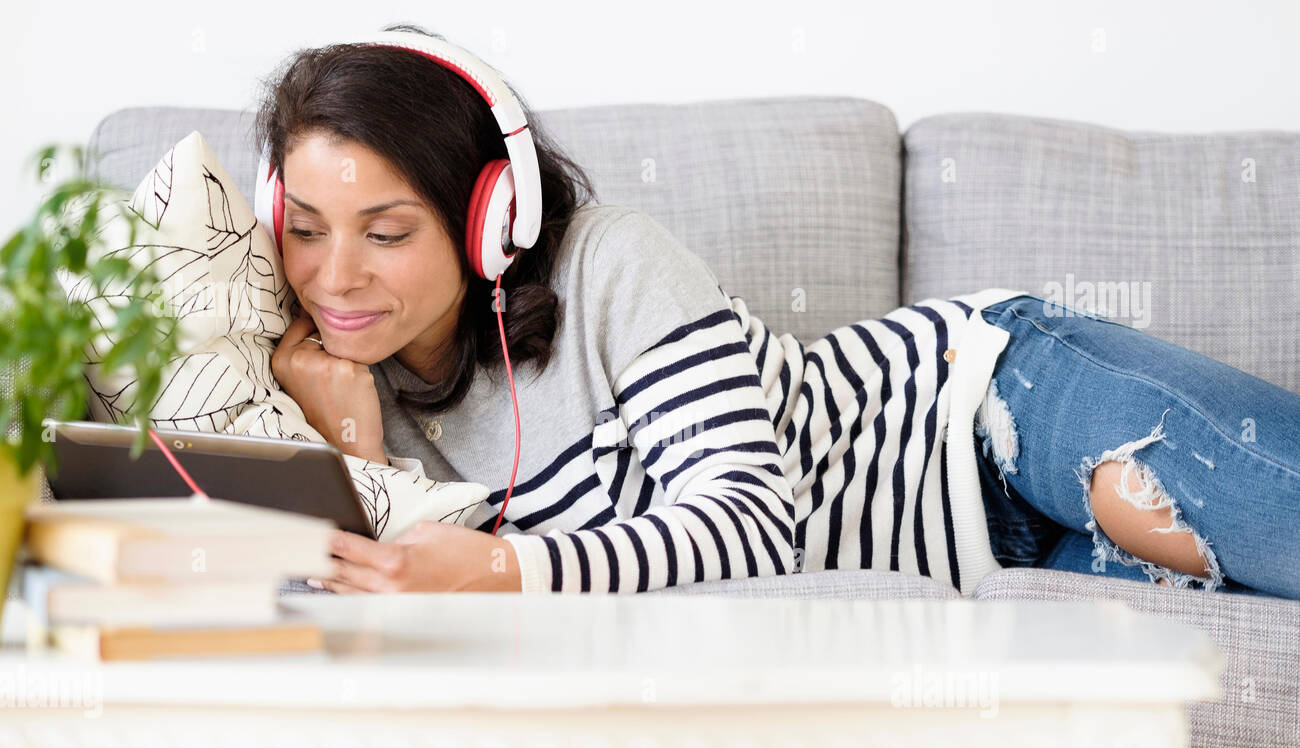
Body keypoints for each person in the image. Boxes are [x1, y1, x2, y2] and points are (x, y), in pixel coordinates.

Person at [264, 27, 1300, 600]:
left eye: (386, 232)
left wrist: (506, 564)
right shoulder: (323, 382)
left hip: (985, 408)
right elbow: (387, 602)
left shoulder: (609, 262)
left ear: (491, 220)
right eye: (306, 227)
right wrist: (352, 435)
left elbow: (754, 522)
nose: (334, 275)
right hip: (992, 561)